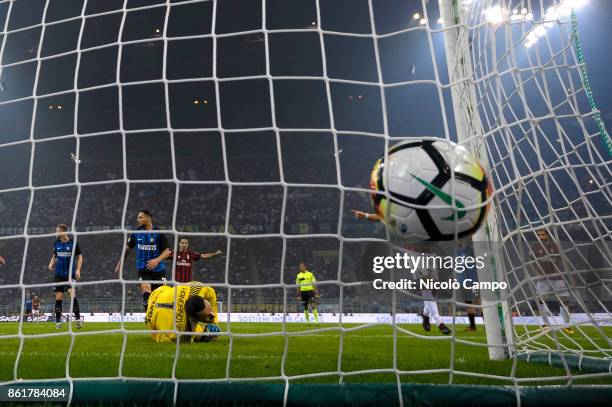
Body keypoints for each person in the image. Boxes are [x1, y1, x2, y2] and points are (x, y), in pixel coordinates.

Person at [350, 210, 451, 335]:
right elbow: (382, 217)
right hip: (415, 256)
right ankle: (439, 322)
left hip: (430, 255)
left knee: (435, 289)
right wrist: (365, 215)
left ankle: (425, 314)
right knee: (427, 287)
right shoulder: (404, 216)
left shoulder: (429, 217)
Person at [115, 210, 171, 312]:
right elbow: (127, 248)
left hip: (159, 270)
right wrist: (119, 264)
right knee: (146, 290)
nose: (138, 220)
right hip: (143, 269)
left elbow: (167, 252)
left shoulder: (158, 233)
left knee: (161, 296)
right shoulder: (136, 233)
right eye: (138, 217)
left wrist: (157, 260)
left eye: (140, 217)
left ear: (148, 218)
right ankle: (148, 315)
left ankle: (160, 317)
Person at [145, 282, 220, 343]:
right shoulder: (180, 334)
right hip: (154, 303)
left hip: (161, 291)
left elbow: (211, 294)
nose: (213, 315)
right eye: (208, 316)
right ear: (194, 319)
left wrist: (214, 323)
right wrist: (205, 333)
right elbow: (158, 336)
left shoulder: (198, 288)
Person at [531, 228, 574, 334]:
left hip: (556, 277)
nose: (541, 237)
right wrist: (537, 272)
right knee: (541, 300)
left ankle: (567, 324)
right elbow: (532, 261)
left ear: (548, 235)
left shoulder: (555, 245)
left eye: (543, 234)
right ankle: (545, 323)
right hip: (542, 278)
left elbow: (560, 259)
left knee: (564, 300)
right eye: (539, 235)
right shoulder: (535, 247)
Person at [49, 224, 83, 329]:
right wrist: (51, 263)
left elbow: (80, 257)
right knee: (59, 297)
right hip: (59, 275)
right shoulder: (56, 243)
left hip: (70, 275)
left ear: (63, 232)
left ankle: (77, 320)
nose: (56, 232)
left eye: (57, 231)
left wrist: (78, 270)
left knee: (71, 295)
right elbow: (54, 256)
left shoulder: (73, 243)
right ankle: (58, 322)